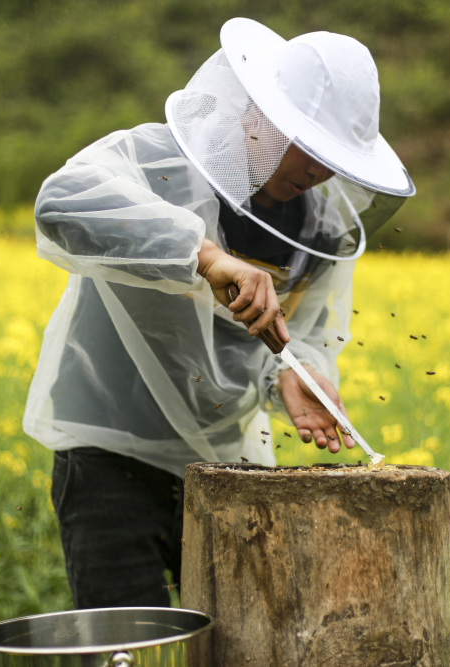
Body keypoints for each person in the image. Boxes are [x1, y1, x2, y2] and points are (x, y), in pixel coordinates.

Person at [23, 17, 415, 610]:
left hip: (228, 463)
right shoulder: (160, 161)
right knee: (127, 644)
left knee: (244, 638)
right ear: (257, 114)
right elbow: (62, 201)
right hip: (108, 449)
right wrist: (202, 256)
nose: (317, 170)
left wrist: (292, 374)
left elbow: (306, 335)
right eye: (304, 145)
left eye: (331, 155)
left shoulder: (322, 232)